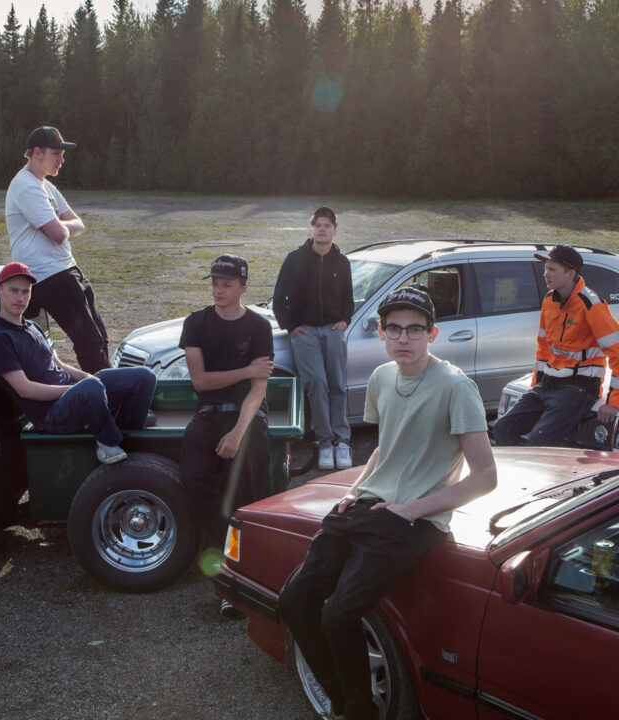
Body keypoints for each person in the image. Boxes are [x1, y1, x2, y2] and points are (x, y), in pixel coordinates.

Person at [278, 287, 497, 720]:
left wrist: (412, 509)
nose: (403, 338)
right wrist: (354, 489)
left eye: (414, 329)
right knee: (293, 602)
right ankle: (341, 700)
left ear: (432, 334)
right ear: (380, 333)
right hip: (367, 504)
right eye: (394, 329)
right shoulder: (381, 377)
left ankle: (360, 712)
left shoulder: (456, 386)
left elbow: (486, 477)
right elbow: (386, 447)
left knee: (339, 615)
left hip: (414, 519)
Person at [0, 262, 156, 465]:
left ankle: (127, 438)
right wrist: (77, 388)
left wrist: (85, 377)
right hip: (51, 414)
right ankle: (107, 443)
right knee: (90, 387)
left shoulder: (32, 327)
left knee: (144, 377)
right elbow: (24, 389)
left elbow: (59, 364)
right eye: (14, 291)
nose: (20, 298)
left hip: (75, 394)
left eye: (25, 291)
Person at [179, 254, 274, 595]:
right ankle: (232, 550)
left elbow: (258, 392)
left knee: (247, 497)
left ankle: (239, 579)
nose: (219, 291)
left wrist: (237, 433)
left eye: (227, 285)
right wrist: (247, 370)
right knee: (194, 481)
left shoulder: (259, 327)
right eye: (215, 284)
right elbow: (201, 382)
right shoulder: (196, 323)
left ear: (243, 288)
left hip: (247, 417)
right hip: (208, 413)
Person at [5, 125, 109, 374]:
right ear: (37, 152)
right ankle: (107, 395)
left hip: (66, 269)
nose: (62, 160)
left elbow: (78, 224)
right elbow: (58, 234)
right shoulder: (26, 186)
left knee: (100, 337)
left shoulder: (46, 186)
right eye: (56, 153)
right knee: (89, 342)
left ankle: (114, 388)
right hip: (49, 276)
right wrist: (60, 227)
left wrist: (60, 226)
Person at [494, 244, 619, 447]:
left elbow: (617, 352)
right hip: (549, 383)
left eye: (552, 269)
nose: (545, 274)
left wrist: (614, 402)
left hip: (580, 387)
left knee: (538, 441)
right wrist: (536, 383)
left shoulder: (591, 305)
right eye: (546, 268)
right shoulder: (549, 300)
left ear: (571, 273)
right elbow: (543, 347)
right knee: (502, 428)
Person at [273, 206, 354, 471]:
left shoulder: (342, 262)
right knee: (317, 384)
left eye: (327, 225)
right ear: (312, 229)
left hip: (333, 330)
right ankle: (325, 442)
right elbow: (279, 298)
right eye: (318, 225)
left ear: (334, 231)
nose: (322, 229)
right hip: (305, 332)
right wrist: (291, 327)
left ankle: (342, 441)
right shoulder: (295, 259)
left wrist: (344, 321)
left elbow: (348, 299)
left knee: (337, 385)